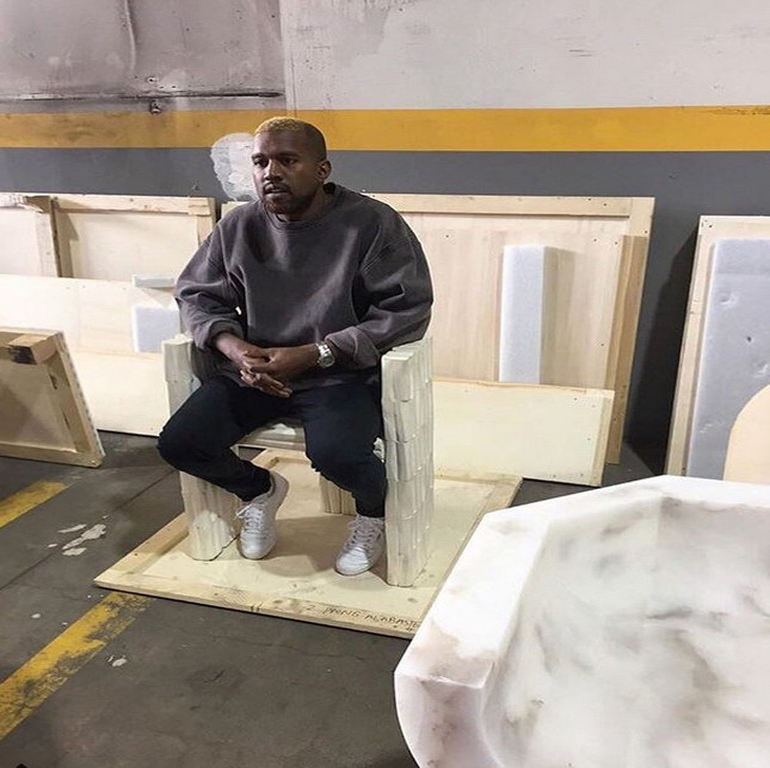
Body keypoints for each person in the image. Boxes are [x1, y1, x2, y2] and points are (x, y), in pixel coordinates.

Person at [157, 117, 433, 576]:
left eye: (287, 160)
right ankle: (258, 490)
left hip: (337, 374)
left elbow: (407, 309)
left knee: (338, 456)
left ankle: (371, 514)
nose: (271, 173)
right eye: (261, 162)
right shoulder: (238, 225)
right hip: (255, 373)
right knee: (180, 443)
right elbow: (197, 295)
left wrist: (320, 352)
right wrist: (234, 348)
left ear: (322, 170)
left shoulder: (371, 223)